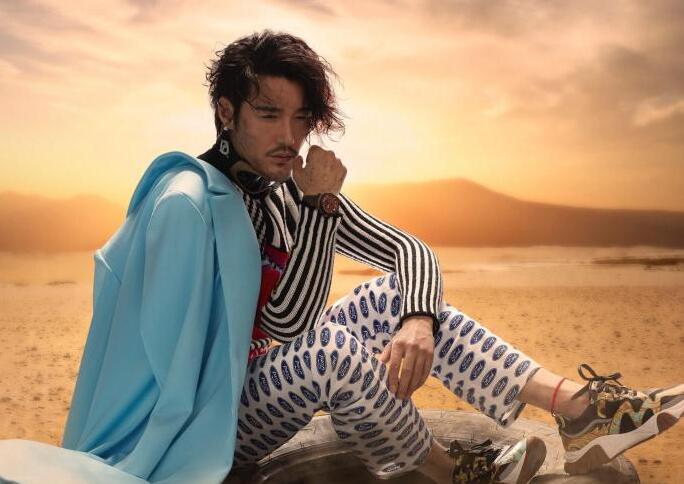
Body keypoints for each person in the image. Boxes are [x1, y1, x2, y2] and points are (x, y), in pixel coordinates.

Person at [20, 29, 678, 484]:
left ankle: (580, 411)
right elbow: (292, 323)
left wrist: (416, 321)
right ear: (226, 111)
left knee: (396, 297)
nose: (289, 137)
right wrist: (319, 208)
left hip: (260, 381)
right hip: (207, 418)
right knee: (330, 351)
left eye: (301, 118)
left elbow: (409, 250)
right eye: (268, 114)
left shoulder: (283, 185)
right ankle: (452, 474)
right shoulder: (190, 204)